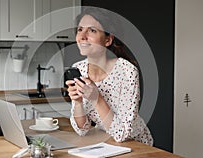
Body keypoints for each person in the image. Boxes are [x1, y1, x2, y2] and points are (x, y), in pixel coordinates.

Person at [65, 7, 153, 146]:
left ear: (108, 40)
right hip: (106, 142)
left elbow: (122, 134)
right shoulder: (79, 68)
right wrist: (78, 102)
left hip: (135, 145)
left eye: (92, 30)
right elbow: (82, 129)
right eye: (80, 29)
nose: (82, 36)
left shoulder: (127, 71)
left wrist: (96, 98)